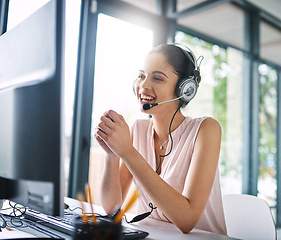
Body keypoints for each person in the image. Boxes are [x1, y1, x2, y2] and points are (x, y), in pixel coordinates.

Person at [94, 43, 227, 235]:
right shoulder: (138, 130)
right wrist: (112, 155)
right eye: (141, 76)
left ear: (185, 89)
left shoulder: (206, 129)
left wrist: (127, 152)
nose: (144, 85)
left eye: (157, 78)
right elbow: (111, 208)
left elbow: (187, 220)